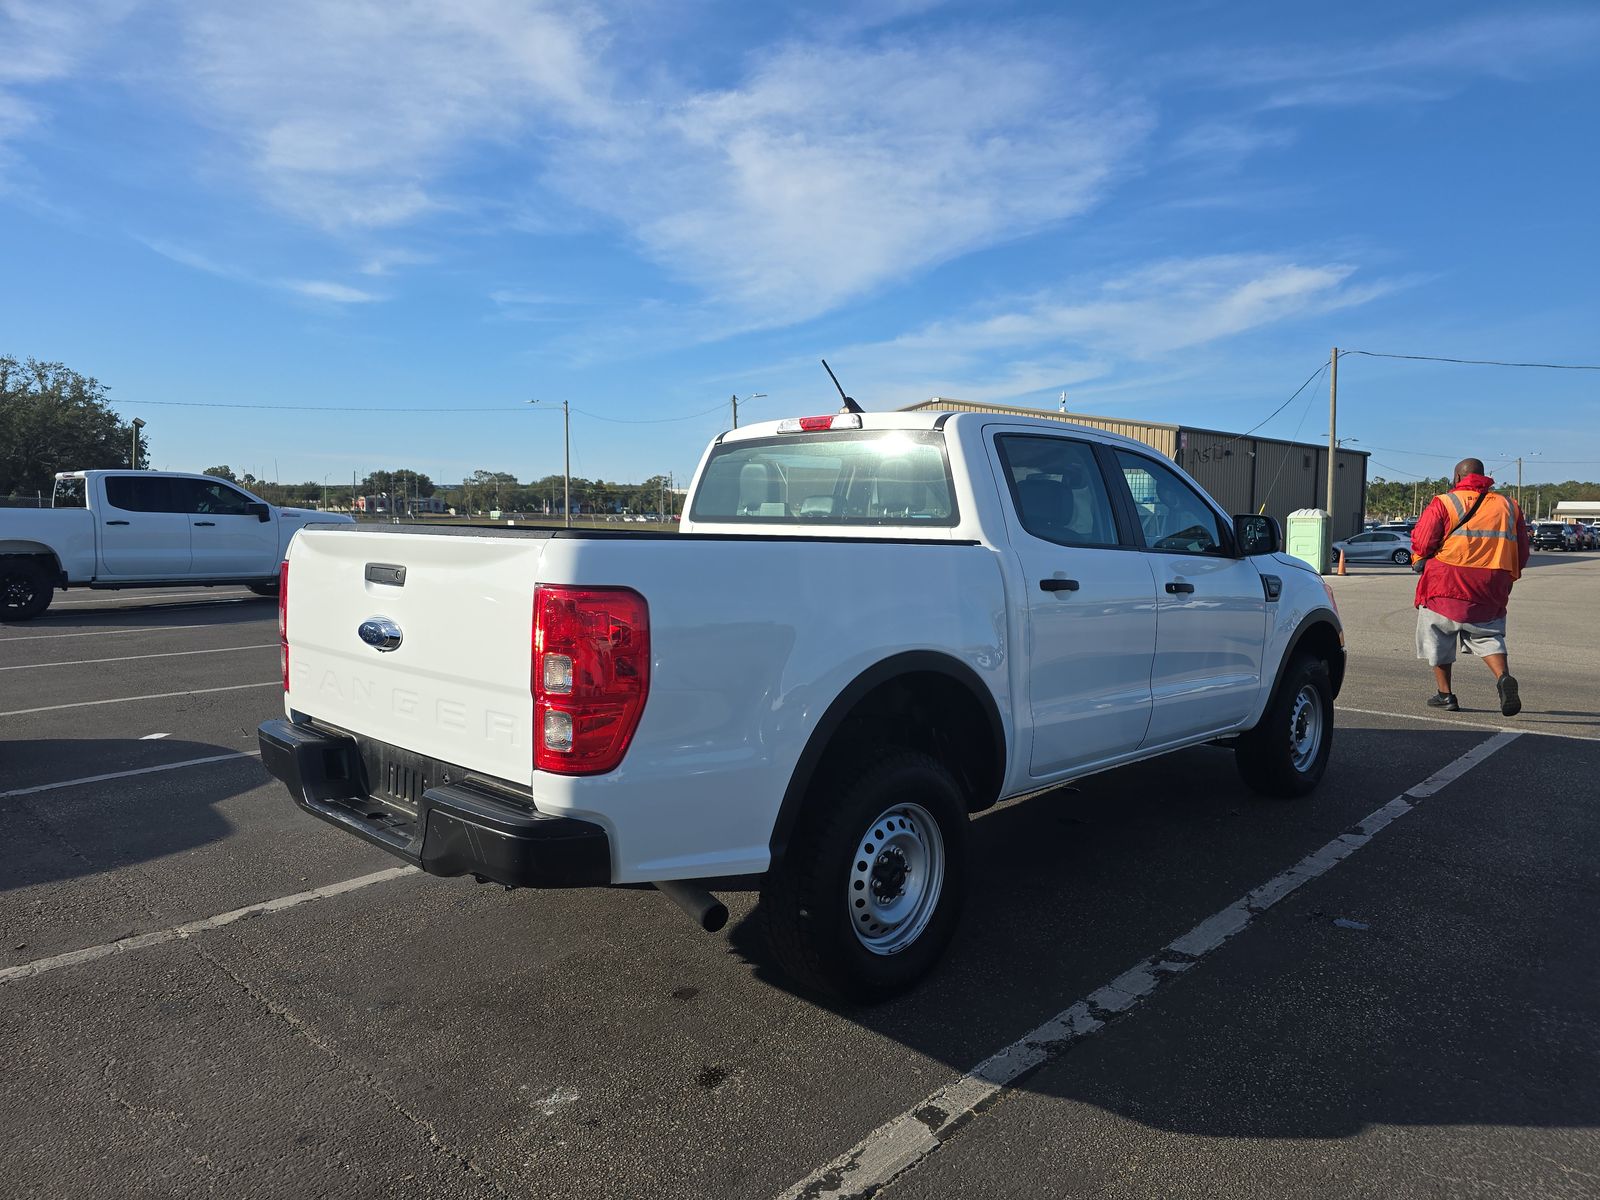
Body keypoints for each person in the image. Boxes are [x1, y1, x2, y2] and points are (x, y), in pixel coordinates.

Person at [1410, 457, 1531, 715]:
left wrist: (1420, 559)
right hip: (1489, 587)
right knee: (1488, 636)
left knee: (1438, 637)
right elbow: (1522, 551)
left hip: (1445, 584)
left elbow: (1422, 541)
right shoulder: (1509, 505)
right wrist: (1506, 579)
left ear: (1457, 478)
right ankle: (1503, 678)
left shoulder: (1444, 502)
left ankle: (1445, 695)